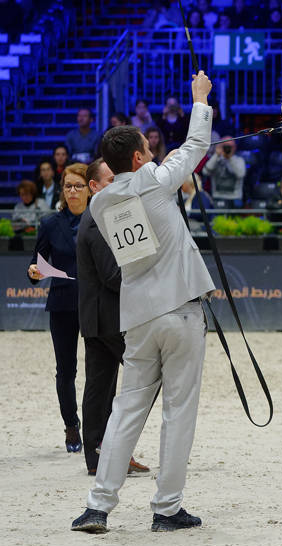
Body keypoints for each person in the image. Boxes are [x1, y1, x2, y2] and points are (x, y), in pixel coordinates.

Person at [71, 70, 215, 534]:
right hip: (180, 310)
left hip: (137, 316)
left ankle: (98, 505)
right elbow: (194, 148)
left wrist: (159, 168)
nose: (153, 153)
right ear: (137, 155)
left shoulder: (100, 203)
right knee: (178, 410)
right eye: (148, 149)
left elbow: (144, 181)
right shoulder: (154, 179)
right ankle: (167, 508)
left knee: (127, 408)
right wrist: (199, 99)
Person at [77, 158, 150, 477]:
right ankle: (114, 448)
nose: (118, 185)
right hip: (109, 317)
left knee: (100, 385)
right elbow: (112, 276)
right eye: (110, 181)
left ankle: (100, 454)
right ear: (93, 187)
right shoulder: (101, 218)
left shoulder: (97, 215)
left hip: (97, 317)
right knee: (149, 377)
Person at [26, 162, 90, 455]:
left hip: (95, 303)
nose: (73, 191)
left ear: (90, 188)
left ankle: (97, 427)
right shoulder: (50, 223)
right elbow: (35, 264)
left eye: (79, 185)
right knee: (66, 370)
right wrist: (34, 273)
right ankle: (71, 425)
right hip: (63, 303)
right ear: (62, 191)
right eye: (68, 186)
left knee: (99, 369)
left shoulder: (100, 219)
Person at [202, 137, 246, 203]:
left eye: (230, 146)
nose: (227, 148)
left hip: (235, 198)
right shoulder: (215, 159)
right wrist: (216, 155)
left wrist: (230, 158)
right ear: (220, 146)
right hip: (217, 197)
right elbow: (205, 172)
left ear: (234, 148)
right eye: (225, 146)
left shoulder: (239, 160)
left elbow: (241, 174)